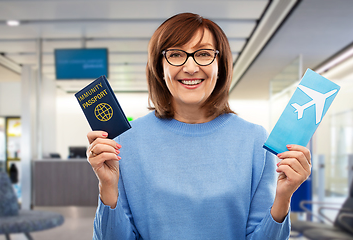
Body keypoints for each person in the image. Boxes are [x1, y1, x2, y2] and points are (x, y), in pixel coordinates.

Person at [87, 12, 311, 240]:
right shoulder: (126, 141)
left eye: (204, 54)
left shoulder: (254, 139)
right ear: (159, 67)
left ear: (220, 66)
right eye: (175, 54)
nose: (191, 67)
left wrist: (283, 197)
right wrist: (107, 187)